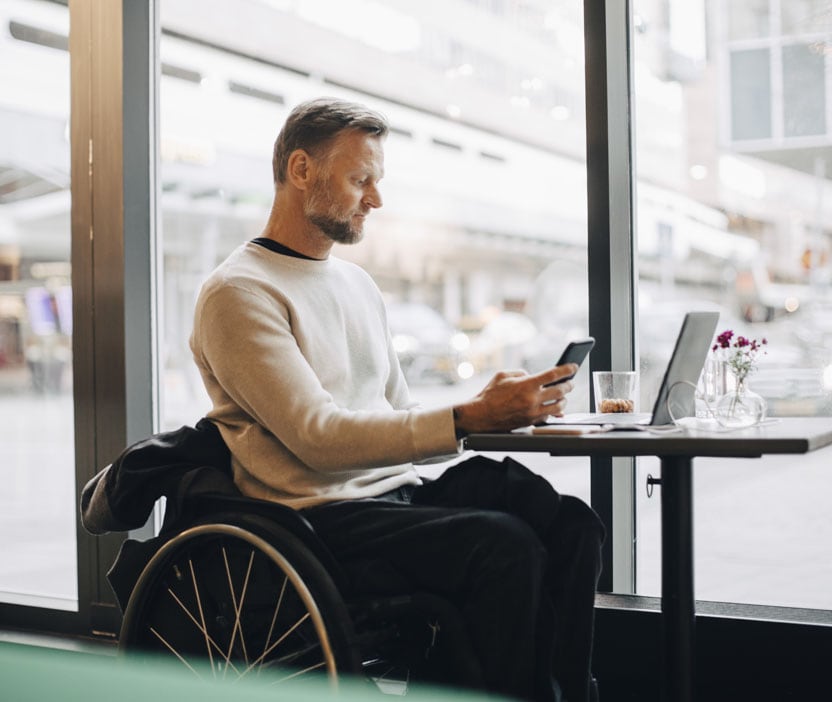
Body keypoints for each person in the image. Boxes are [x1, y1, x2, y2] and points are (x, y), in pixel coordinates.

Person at [190, 97, 604, 702]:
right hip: (319, 521)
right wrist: (466, 418)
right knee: (503, 547)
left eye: (376, 181)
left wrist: (493, 409)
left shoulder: (357, 284)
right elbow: (320, 438)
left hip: (397, 498)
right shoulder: (238, 293)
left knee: (573, 525)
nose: (375, 199)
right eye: (361, 179)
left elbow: (398, 422)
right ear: (301, 170)